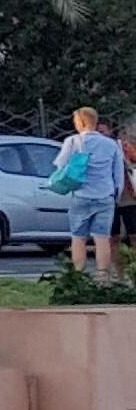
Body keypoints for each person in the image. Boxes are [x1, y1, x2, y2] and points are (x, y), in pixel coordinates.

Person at [62, 107, 127, 281]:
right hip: (105, 196)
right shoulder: (111, 144)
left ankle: (78, 275)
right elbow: (118, 174)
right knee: (102, 238)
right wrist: (116, 195)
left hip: (81, 195)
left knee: (78, 237)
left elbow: (61, 165)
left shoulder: (73, 141)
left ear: (80, 122)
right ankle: (102, 276)